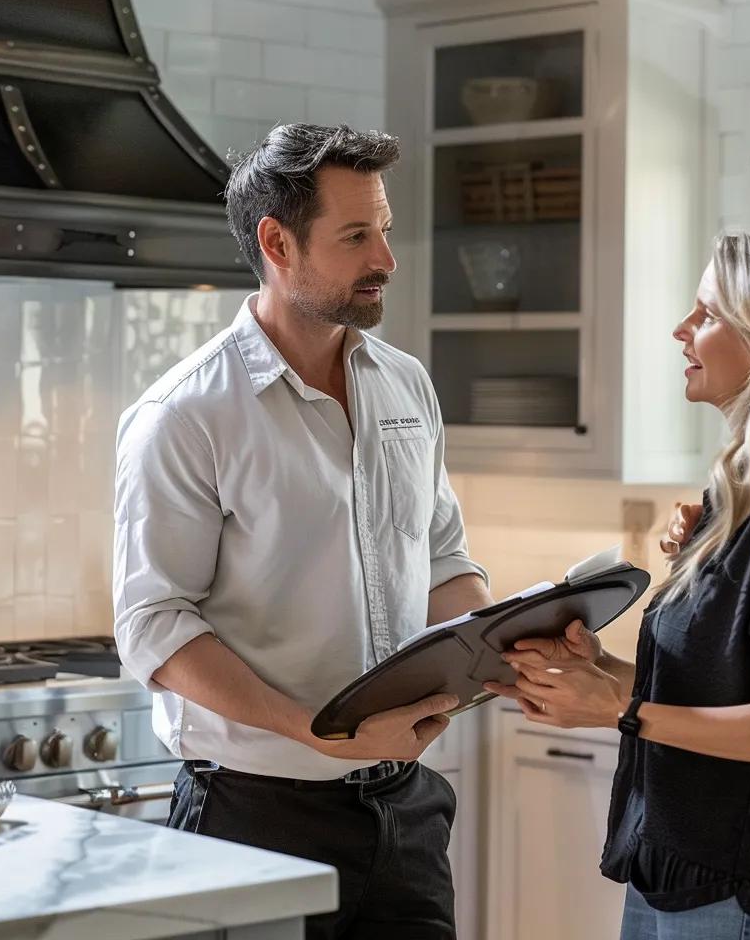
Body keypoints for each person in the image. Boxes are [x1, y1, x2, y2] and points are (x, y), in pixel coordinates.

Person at [113, 123, 492, 940]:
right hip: (255, 821)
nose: (385, 259)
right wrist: (319, 732)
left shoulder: (405, 384)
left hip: (408, 812)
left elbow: (443, 558)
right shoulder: (186, 415)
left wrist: (492, 650)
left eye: (384, 229)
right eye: (356, 236)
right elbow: (154, 625)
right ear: (277, 243)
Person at [486, 233, 750, 940]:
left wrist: (623, 708)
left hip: (749, 904)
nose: (681, 330)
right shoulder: (746, 499)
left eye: (705, 313)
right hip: (685, 883)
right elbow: (723, 688)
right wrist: (597, 672)